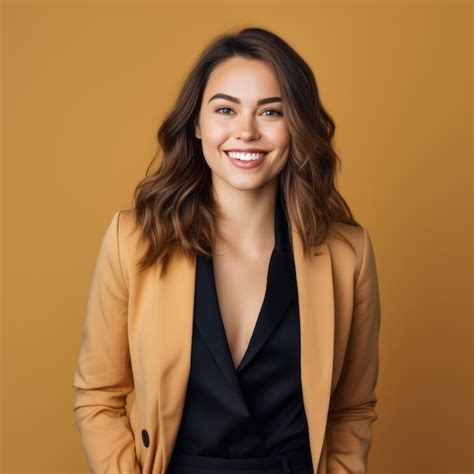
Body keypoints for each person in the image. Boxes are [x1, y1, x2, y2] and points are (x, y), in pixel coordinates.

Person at [72, 27, 381, 474]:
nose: (246, 131)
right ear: (197, 124)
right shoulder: (133, 241)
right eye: (225, 109)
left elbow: (353, 407)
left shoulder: (347, 253)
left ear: (297, 126)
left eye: (271, 111)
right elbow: (98, 396)